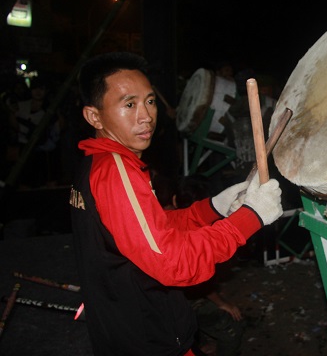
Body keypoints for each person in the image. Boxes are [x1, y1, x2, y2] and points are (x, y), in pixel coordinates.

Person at [69, 51, 283, 356]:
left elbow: (147, 234)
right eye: (129, 104)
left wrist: (212, 209)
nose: (146, 116)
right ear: (94, 116)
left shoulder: (94, 164)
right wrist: (250, 218)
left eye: (150, 101)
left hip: (124, 330)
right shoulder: (116, 171)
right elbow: (174, 262)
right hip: (148, 338)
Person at [160, 174, 245, 356]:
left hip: (175, 295)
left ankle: (201, 342)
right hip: (170, 302)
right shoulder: (172, 229)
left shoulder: (159, 215)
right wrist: (221, 303)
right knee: (231, 328)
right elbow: (194, 276)